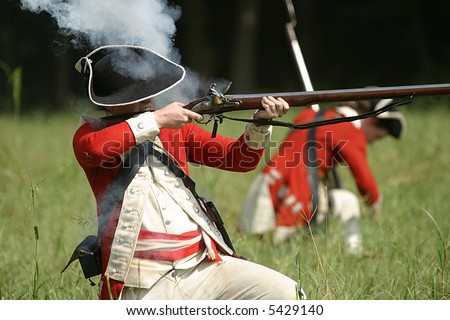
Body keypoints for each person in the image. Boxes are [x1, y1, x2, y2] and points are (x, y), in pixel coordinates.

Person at [71, 44, 305, 300]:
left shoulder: (174, 130)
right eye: (139, 94)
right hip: (142, 280)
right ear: (113, 103)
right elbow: (93, 149)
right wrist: (157, 120)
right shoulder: (92, 135)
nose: (149, 98)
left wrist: (260, 123)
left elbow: (239, 159)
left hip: (203, 263)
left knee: (286, 293)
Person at [239, 99, 406, 254]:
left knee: (251, 244)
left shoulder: (309, 115)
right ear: (372, 121)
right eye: (376, 137)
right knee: (349, 201)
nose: (371, 142)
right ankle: (354, 253)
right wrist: (374, 206)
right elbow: (364, 180)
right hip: (299, 191)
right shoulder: (351, 131)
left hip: (268, 179)